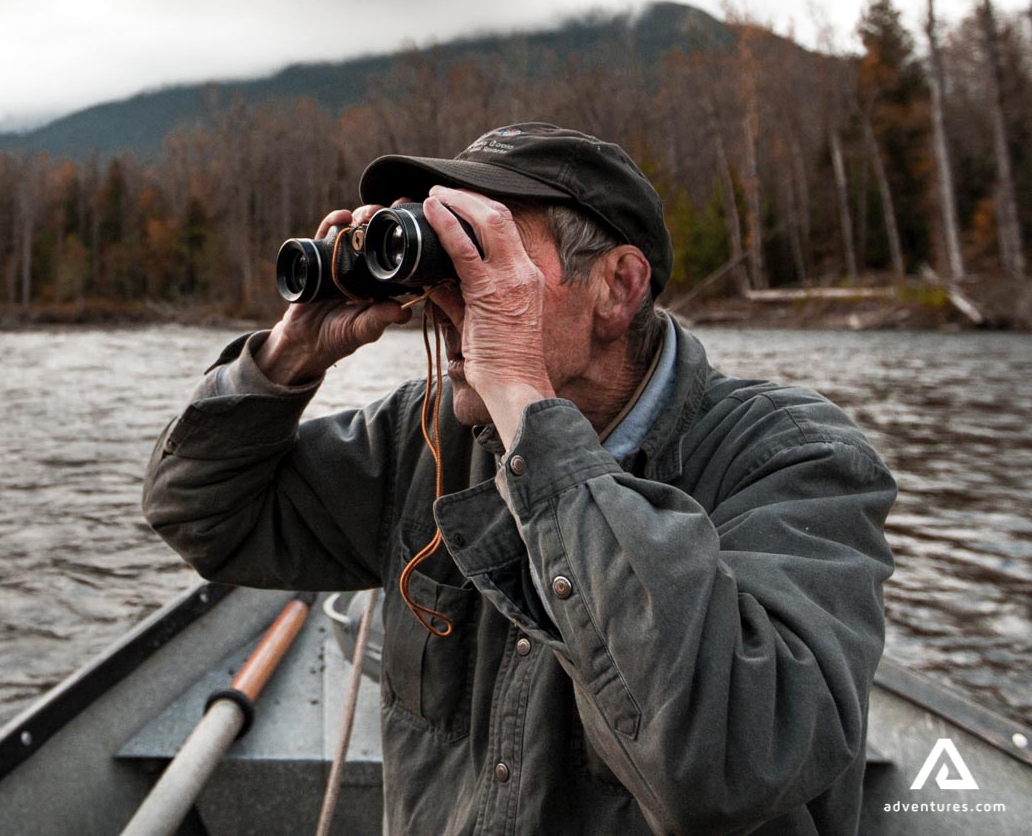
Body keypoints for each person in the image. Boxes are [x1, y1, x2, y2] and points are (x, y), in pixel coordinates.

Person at [142, 123, 895, 835]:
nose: (449, 300)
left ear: (617, 288)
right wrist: (288, 355)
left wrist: (532, 419)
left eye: (487, 259)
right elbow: (203, 515)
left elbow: (725, 764)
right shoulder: (429, 436)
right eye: (447, 254)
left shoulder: (791, 458)